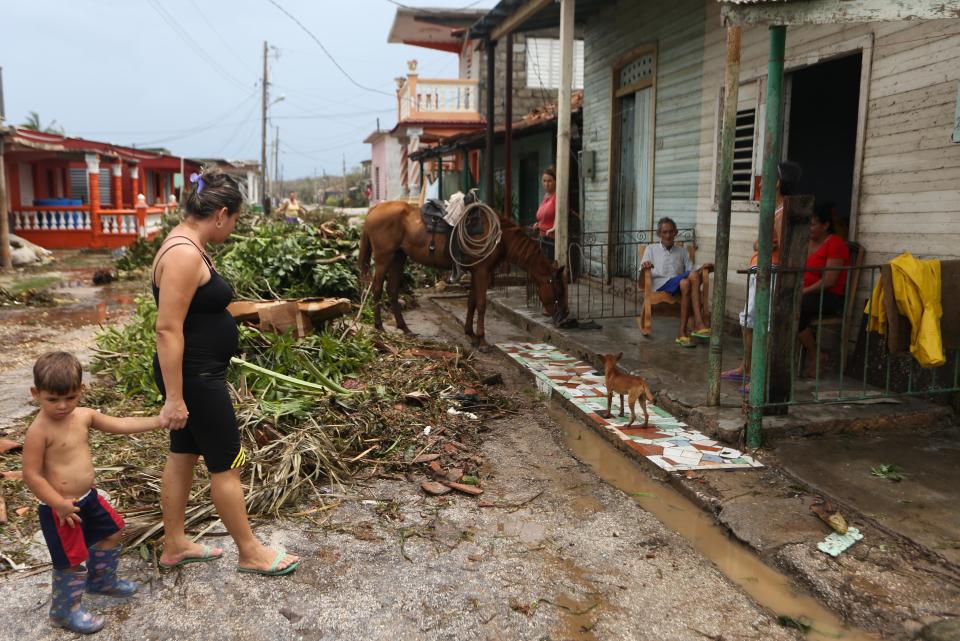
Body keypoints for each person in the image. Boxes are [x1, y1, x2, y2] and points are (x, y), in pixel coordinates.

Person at [151, 168, 299, 577]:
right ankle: (250, 551)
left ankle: (175, 543)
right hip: (195, 380)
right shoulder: (183, 253)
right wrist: (176, 397)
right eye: (234, 220)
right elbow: (167, 328)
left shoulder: (186, 244)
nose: (233, 228)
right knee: (226, 463)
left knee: (183, 456)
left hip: (194, 374)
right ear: (220, 213)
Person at [22, 352, 163, 634]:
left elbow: (121, 425)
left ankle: (100, 581)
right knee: (70, 560)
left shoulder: (84, 416)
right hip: (60, 508)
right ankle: (63, 611)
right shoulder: (38, 431)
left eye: (70, 398)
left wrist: (159, 420)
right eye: (52, 399)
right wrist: (57, 503)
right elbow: (31, 475)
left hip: (88, 498)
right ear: (36, 393)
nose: (62, 406)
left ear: (81, 391)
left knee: (113, 530)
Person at [722, 161, 802, 387]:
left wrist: (760, 245)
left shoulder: (784, 211)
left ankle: (760, 375)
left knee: (763, 323)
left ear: (777, 183)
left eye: (767, 177)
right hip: (760, 270)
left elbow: (783, 245)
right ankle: (747, 367)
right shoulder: (772, 208)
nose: (761, 182)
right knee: (748, 319)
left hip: (771, 271)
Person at [640, 217, 713, 347]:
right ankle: (698, 322)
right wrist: (646, 266)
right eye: (664, 232)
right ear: (659, 234)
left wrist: (703, 269)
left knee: (686, 283)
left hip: (679, 284)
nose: (668, 235)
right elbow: (642, 271)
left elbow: (692, 273)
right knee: (692, 276)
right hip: (661, 284)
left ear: (675, 232)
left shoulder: (682, 251)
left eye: (670, 232)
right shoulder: (651, 249)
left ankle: (682, 334)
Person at [798, 206, 850, 377]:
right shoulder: (806, 242)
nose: (808, 228)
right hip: (807, 293)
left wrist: (803, 291)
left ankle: (816, 355)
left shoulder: (836, 243)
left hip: (830, 296)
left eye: (812, 224)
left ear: (825, 225)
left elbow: (829, 281)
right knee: (780, 303)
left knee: (795, 308)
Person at [532, 166, 557, 259]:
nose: (546, 184)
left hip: (552, 240)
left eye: (549, 181)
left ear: (555, 181)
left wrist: (554, 227)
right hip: (542, 238)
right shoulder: (546, 196)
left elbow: (559, 215)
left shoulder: (557, 196)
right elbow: (544, 216)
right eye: (544, 181)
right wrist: (538, 224)